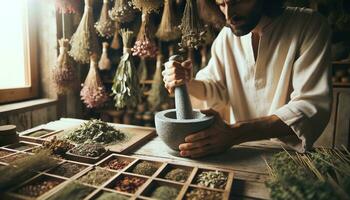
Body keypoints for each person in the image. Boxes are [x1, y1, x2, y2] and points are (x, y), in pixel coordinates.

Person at [162, 0, 332, 158]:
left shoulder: (309, 25)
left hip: (290, 156)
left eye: (236, 2)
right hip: (238, 152)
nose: (228, 15)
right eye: (221, 4)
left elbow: (310, 105)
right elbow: (214, 89)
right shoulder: (226, 38)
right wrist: (186, 82)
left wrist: (235, 132)